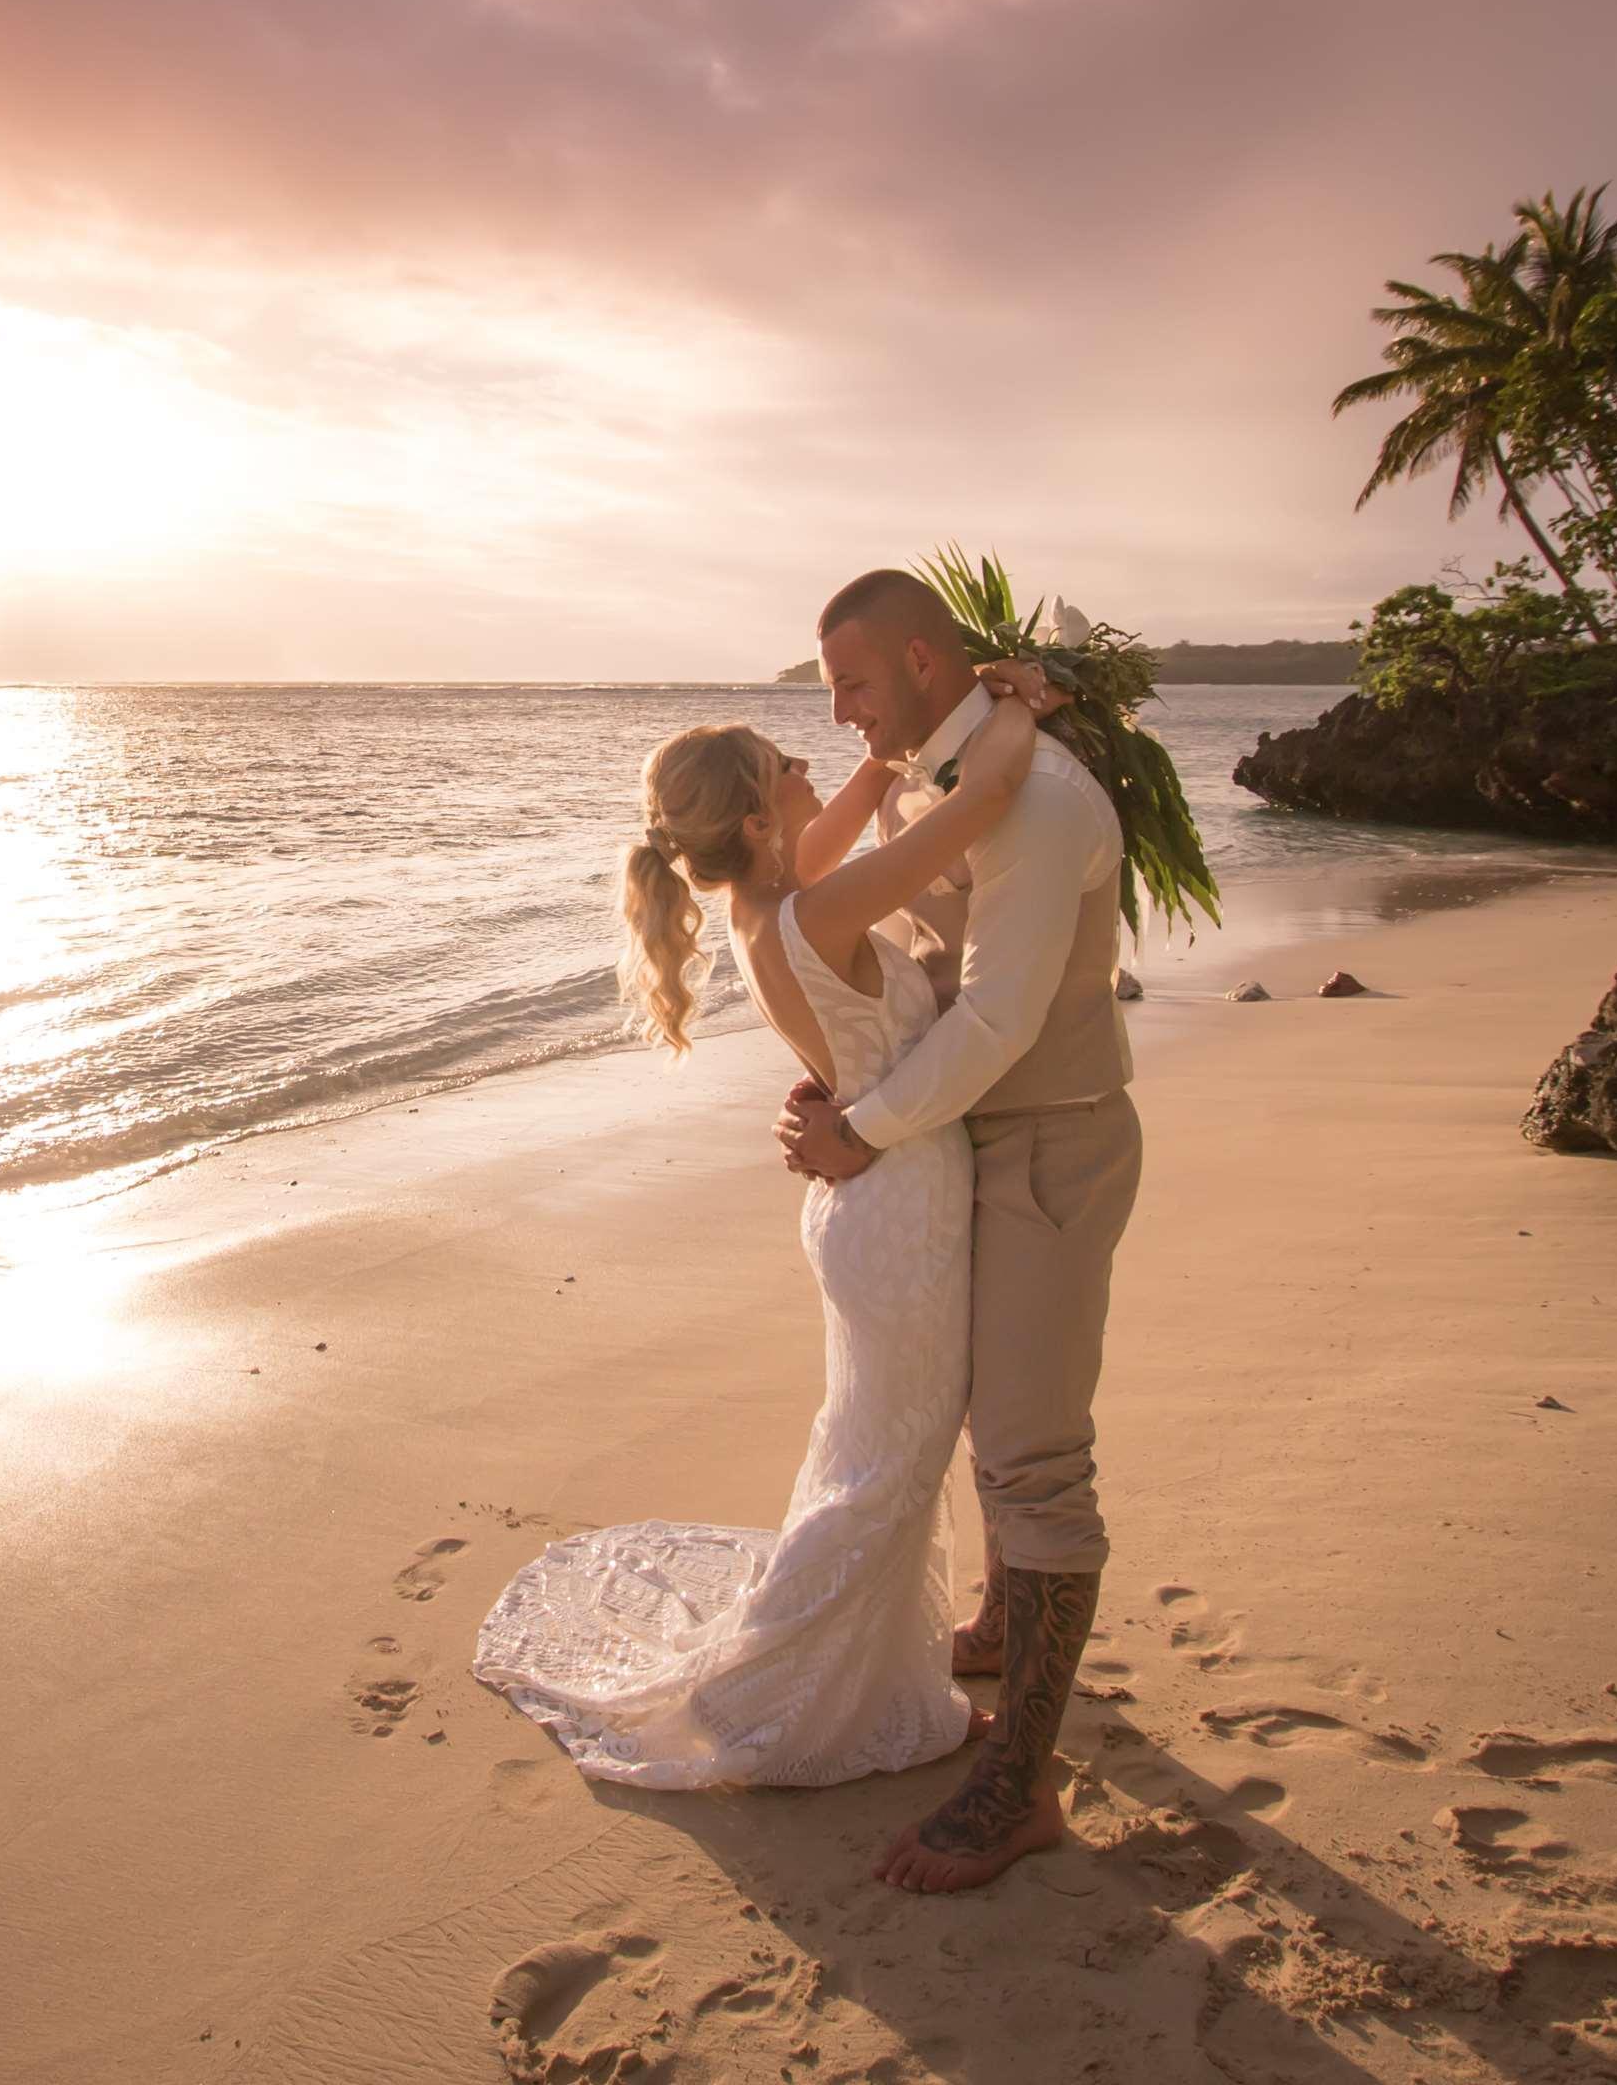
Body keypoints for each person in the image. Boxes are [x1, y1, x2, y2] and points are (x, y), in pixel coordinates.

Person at [469, 668, 1046, 1792]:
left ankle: (874, 1678)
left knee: (876, 1454)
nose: (806, 766)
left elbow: (857, 800)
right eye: (786, 769)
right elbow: (984, 802)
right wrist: (1022, 705)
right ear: (749, 816)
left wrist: (895, 740)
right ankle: (767, 1692)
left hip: (864, 1203)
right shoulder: (817, 907)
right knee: (890, 1469)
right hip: (899, 1201)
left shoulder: (770, 905)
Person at [778, 566, 1141, 1893]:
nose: (839, 716)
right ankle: (1001, 1619)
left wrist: (864, 1131)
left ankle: (1020, 1784)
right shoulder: (955, 779)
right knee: (984, 1423)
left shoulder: (1035, 798)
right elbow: (924, 976)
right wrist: (851, 1080)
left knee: (1036, 1455)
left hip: (1050, 1146)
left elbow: (997, 1023)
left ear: (927, 663)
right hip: (969, 1139)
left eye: (853, 686)